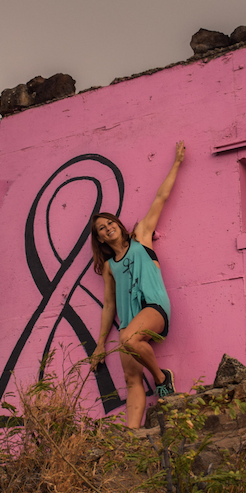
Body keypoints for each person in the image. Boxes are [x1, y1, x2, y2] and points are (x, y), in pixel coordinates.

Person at [88, 141, 185, 428]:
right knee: (131, 379)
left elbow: (161, 198)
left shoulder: (141, 236)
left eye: (109, 223)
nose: (107, 228)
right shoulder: (109, 266)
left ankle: (161, 378)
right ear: (101, 239)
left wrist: (177, 162)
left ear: (117, 223)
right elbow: (108, 305)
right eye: (101, 229)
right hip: (128, 320)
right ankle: (132, 438)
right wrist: (100, 344)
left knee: (130, 340)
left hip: (154, 307)